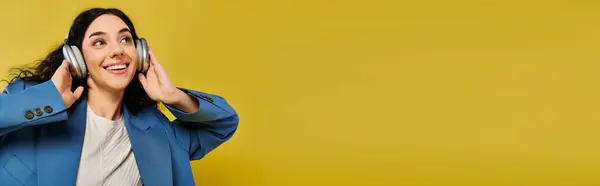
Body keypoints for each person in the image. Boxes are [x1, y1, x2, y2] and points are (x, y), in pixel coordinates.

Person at [0, 8, 239, 186]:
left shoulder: (159, 131)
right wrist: (50, 100)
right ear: (77, 59)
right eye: (99, 42)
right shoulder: (32, 107)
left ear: (141, 54)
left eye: (125, 39)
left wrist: (173, 96)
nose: (117, 50)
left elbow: (223, 123)